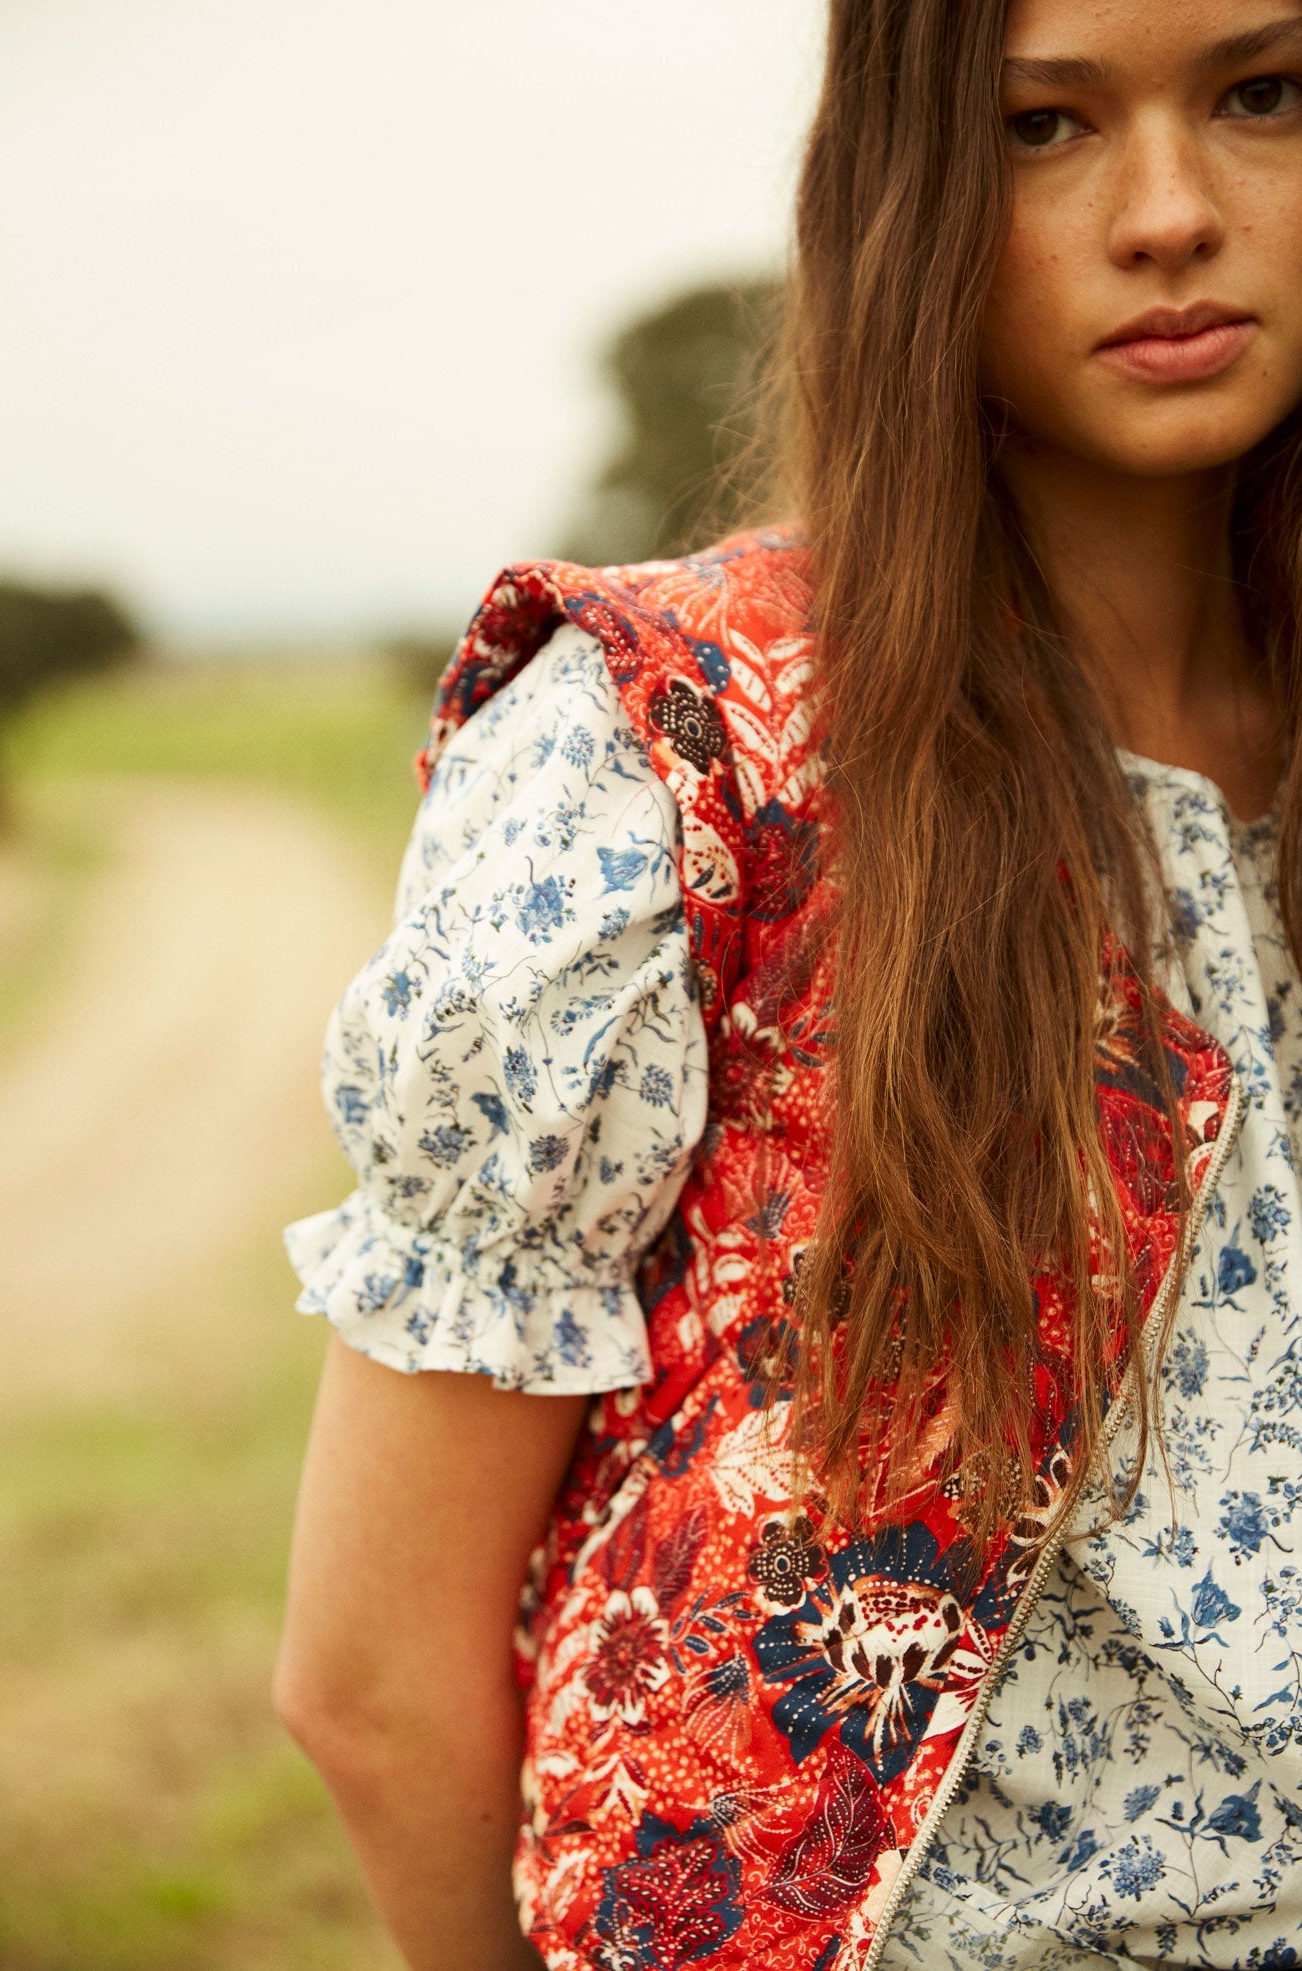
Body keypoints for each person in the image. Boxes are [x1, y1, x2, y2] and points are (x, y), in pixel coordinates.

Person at [272, 0, 1302, 1963]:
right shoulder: (670, 759)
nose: (1172, 211)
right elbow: (371, 1675)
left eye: (1262, 93)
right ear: (900, 190)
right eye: (1044, 124)